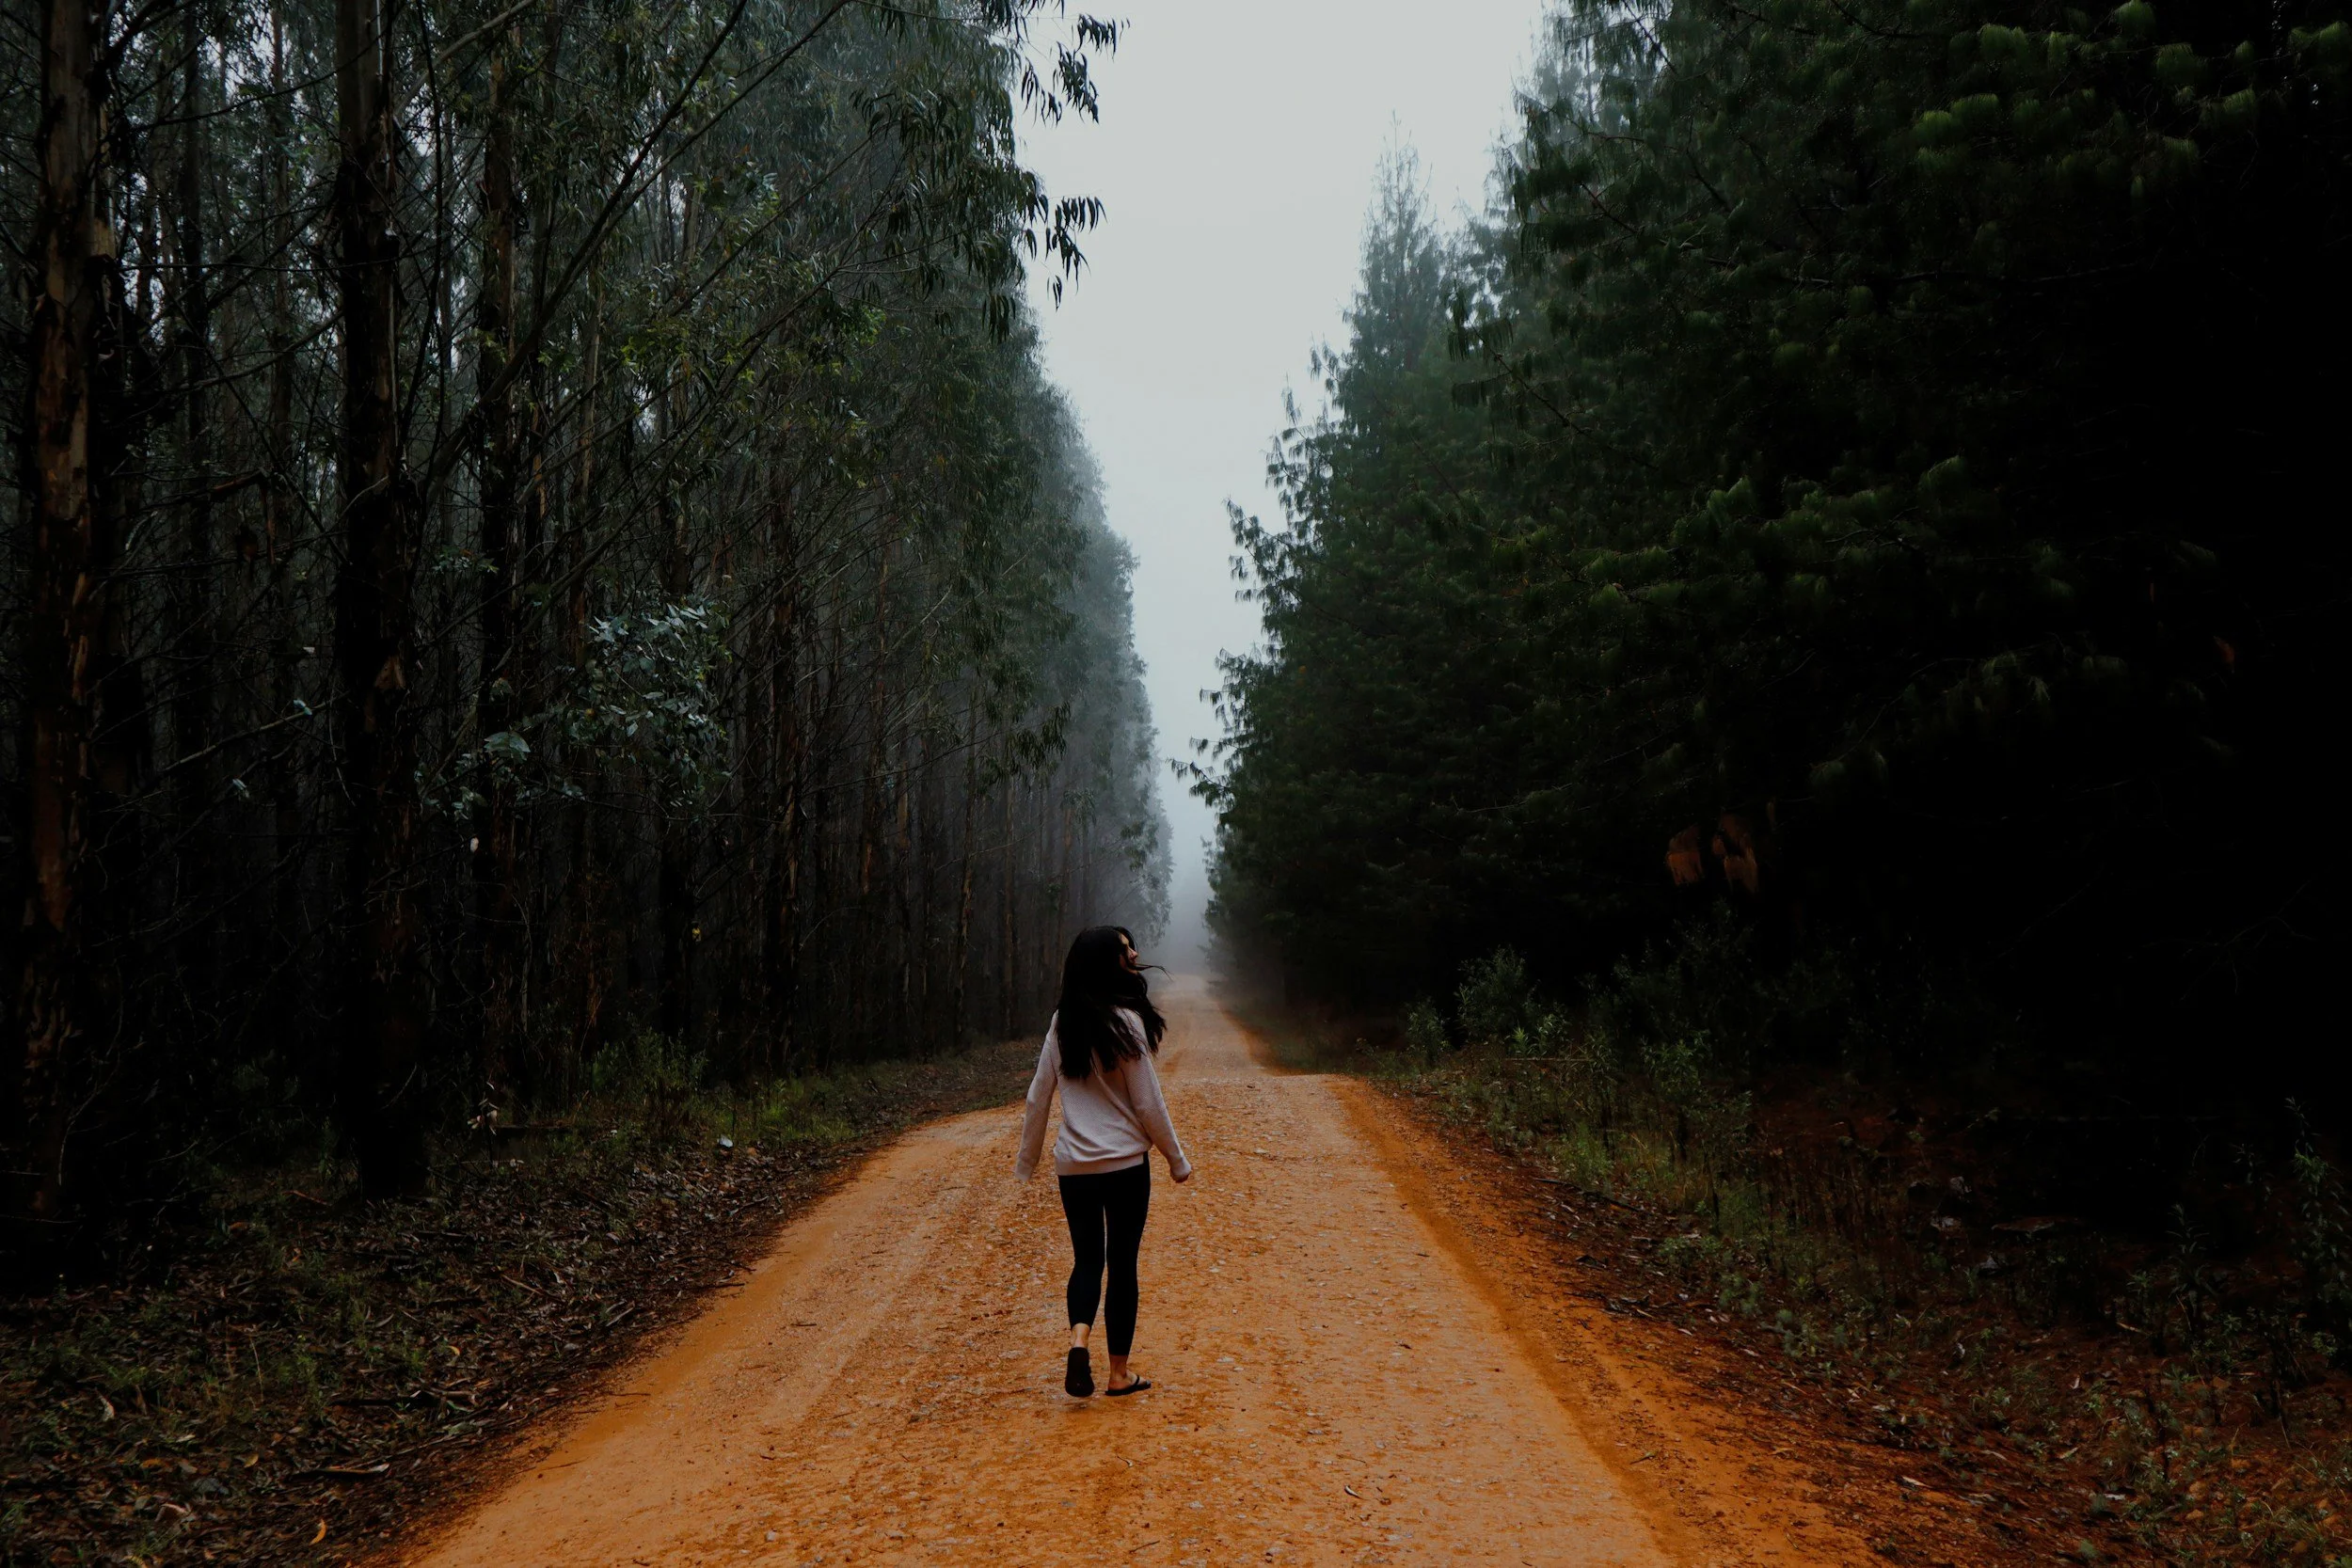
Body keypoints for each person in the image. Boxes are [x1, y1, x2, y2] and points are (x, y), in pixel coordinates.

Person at [1014, 925, 1192, 1398]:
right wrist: (1176, 1160)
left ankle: (1078, 1341)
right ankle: (1117, 1373)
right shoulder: (1126, 1022)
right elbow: (1149, 1104)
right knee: (1123, 1263)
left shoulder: (1061, 1022)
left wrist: (1027, 1162)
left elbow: (1038, 1098)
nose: (1134, 952)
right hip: (1125, 1168)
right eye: (1124, 948)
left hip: (1074, 1168)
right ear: (1105, 961)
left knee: (1087, 1259)